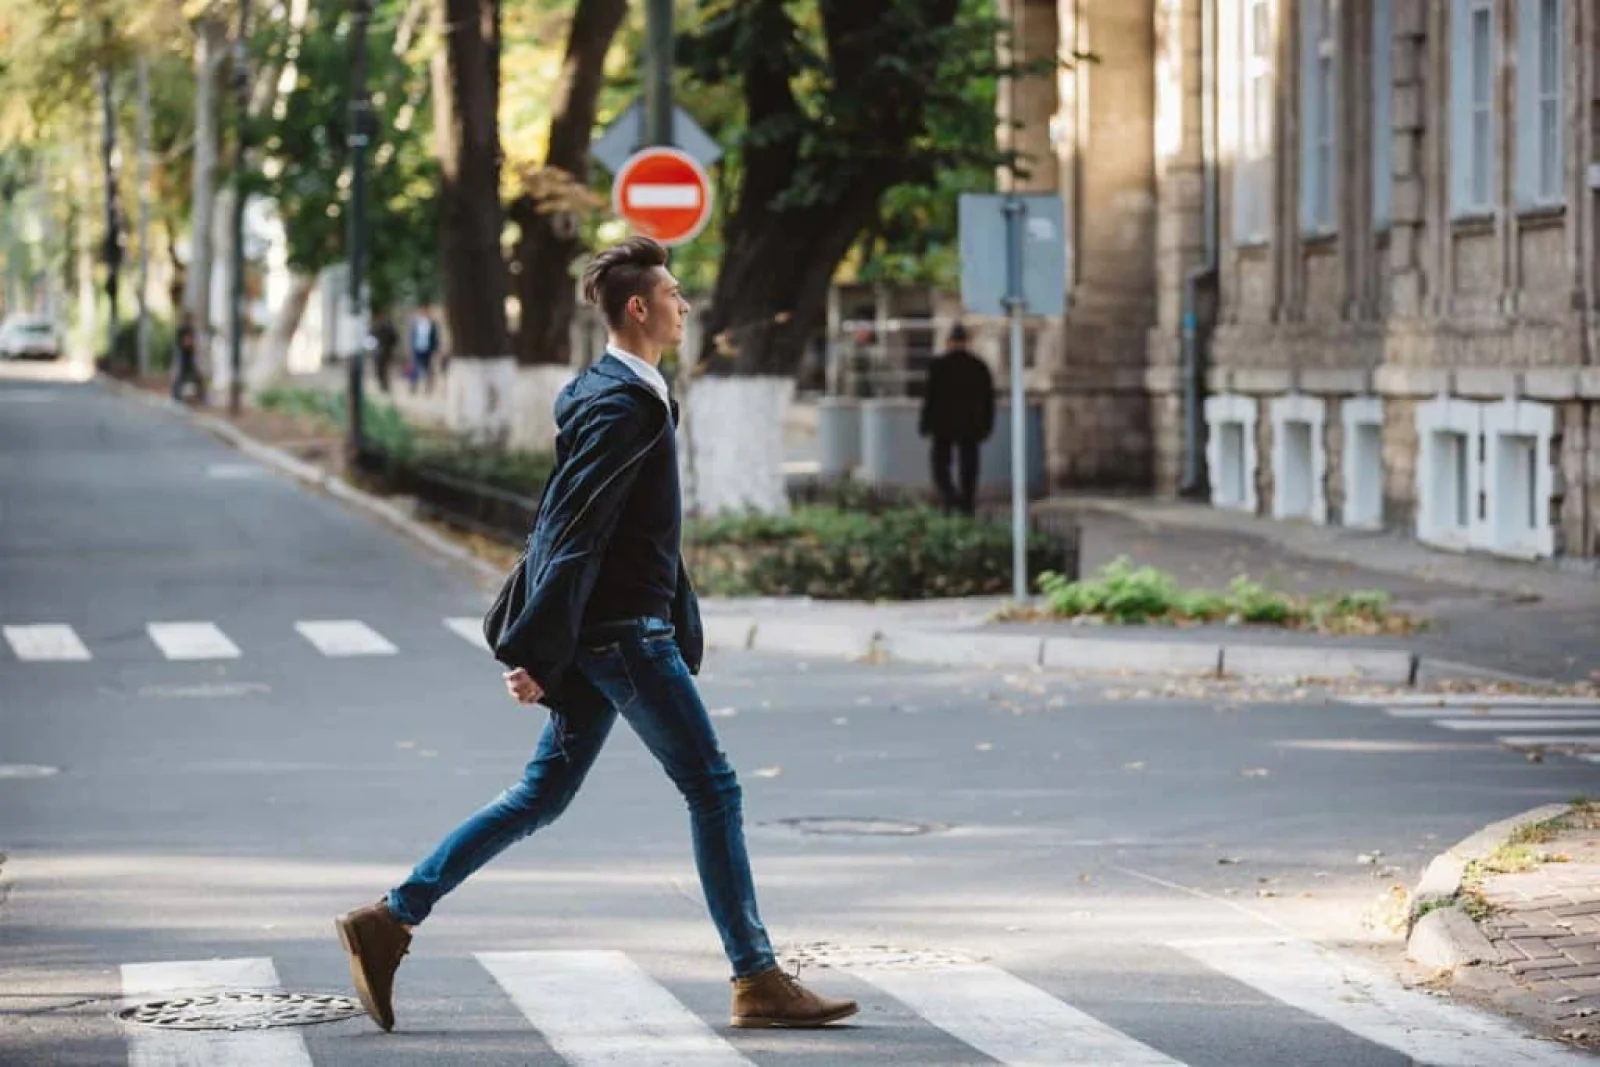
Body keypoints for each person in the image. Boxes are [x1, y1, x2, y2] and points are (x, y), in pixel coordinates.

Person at [334, 237, 858, 1034]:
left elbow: (571, 524)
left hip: (608, 630)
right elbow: (571, 530)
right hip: (622, 634)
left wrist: (545, 644)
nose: (686, 305)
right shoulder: (621, 405)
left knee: (541, 793)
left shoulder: (614, 391)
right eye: (675, 294)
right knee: (712, 789)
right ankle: (756, 976)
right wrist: (537, 649)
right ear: (639, 308)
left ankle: (391, 917)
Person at [918, 322, 996, 515]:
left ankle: (950, 497)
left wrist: (925, 423)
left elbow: (930, 397)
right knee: (969, 467)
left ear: (948, 341)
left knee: (940, 466)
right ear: (967, 341)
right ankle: (967, 504)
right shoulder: (979, 367)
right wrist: (987, 425)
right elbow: (988, 400)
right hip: (971, 424)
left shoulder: (939, 366)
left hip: (943, 424)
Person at [170, 312, 203, 403]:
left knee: (194, 375)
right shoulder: (182, 330)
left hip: (190, 356)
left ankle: (199, 396)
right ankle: (176, 394)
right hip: (183, 355)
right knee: (180, 375)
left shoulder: (191, 329)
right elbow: (181, 343)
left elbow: (193, 343)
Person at [408, 307, 439, 394]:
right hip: (417, 349)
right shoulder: (416, 323)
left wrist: (435, 349)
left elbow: (435, 338)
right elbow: (412, 336)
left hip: (428, 350)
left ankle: (428, 388)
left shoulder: (432, 325)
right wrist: (411, 347)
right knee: (415, 368)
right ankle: (413, 386)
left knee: (428, 369)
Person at [368, 312, 398, 393]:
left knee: (381, 369)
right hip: (385, 351)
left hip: (381, 351)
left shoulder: (377, 327)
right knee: (383, 369)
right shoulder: (387, 327)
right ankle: (384, 385)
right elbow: (395, 339)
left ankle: (384, 385)